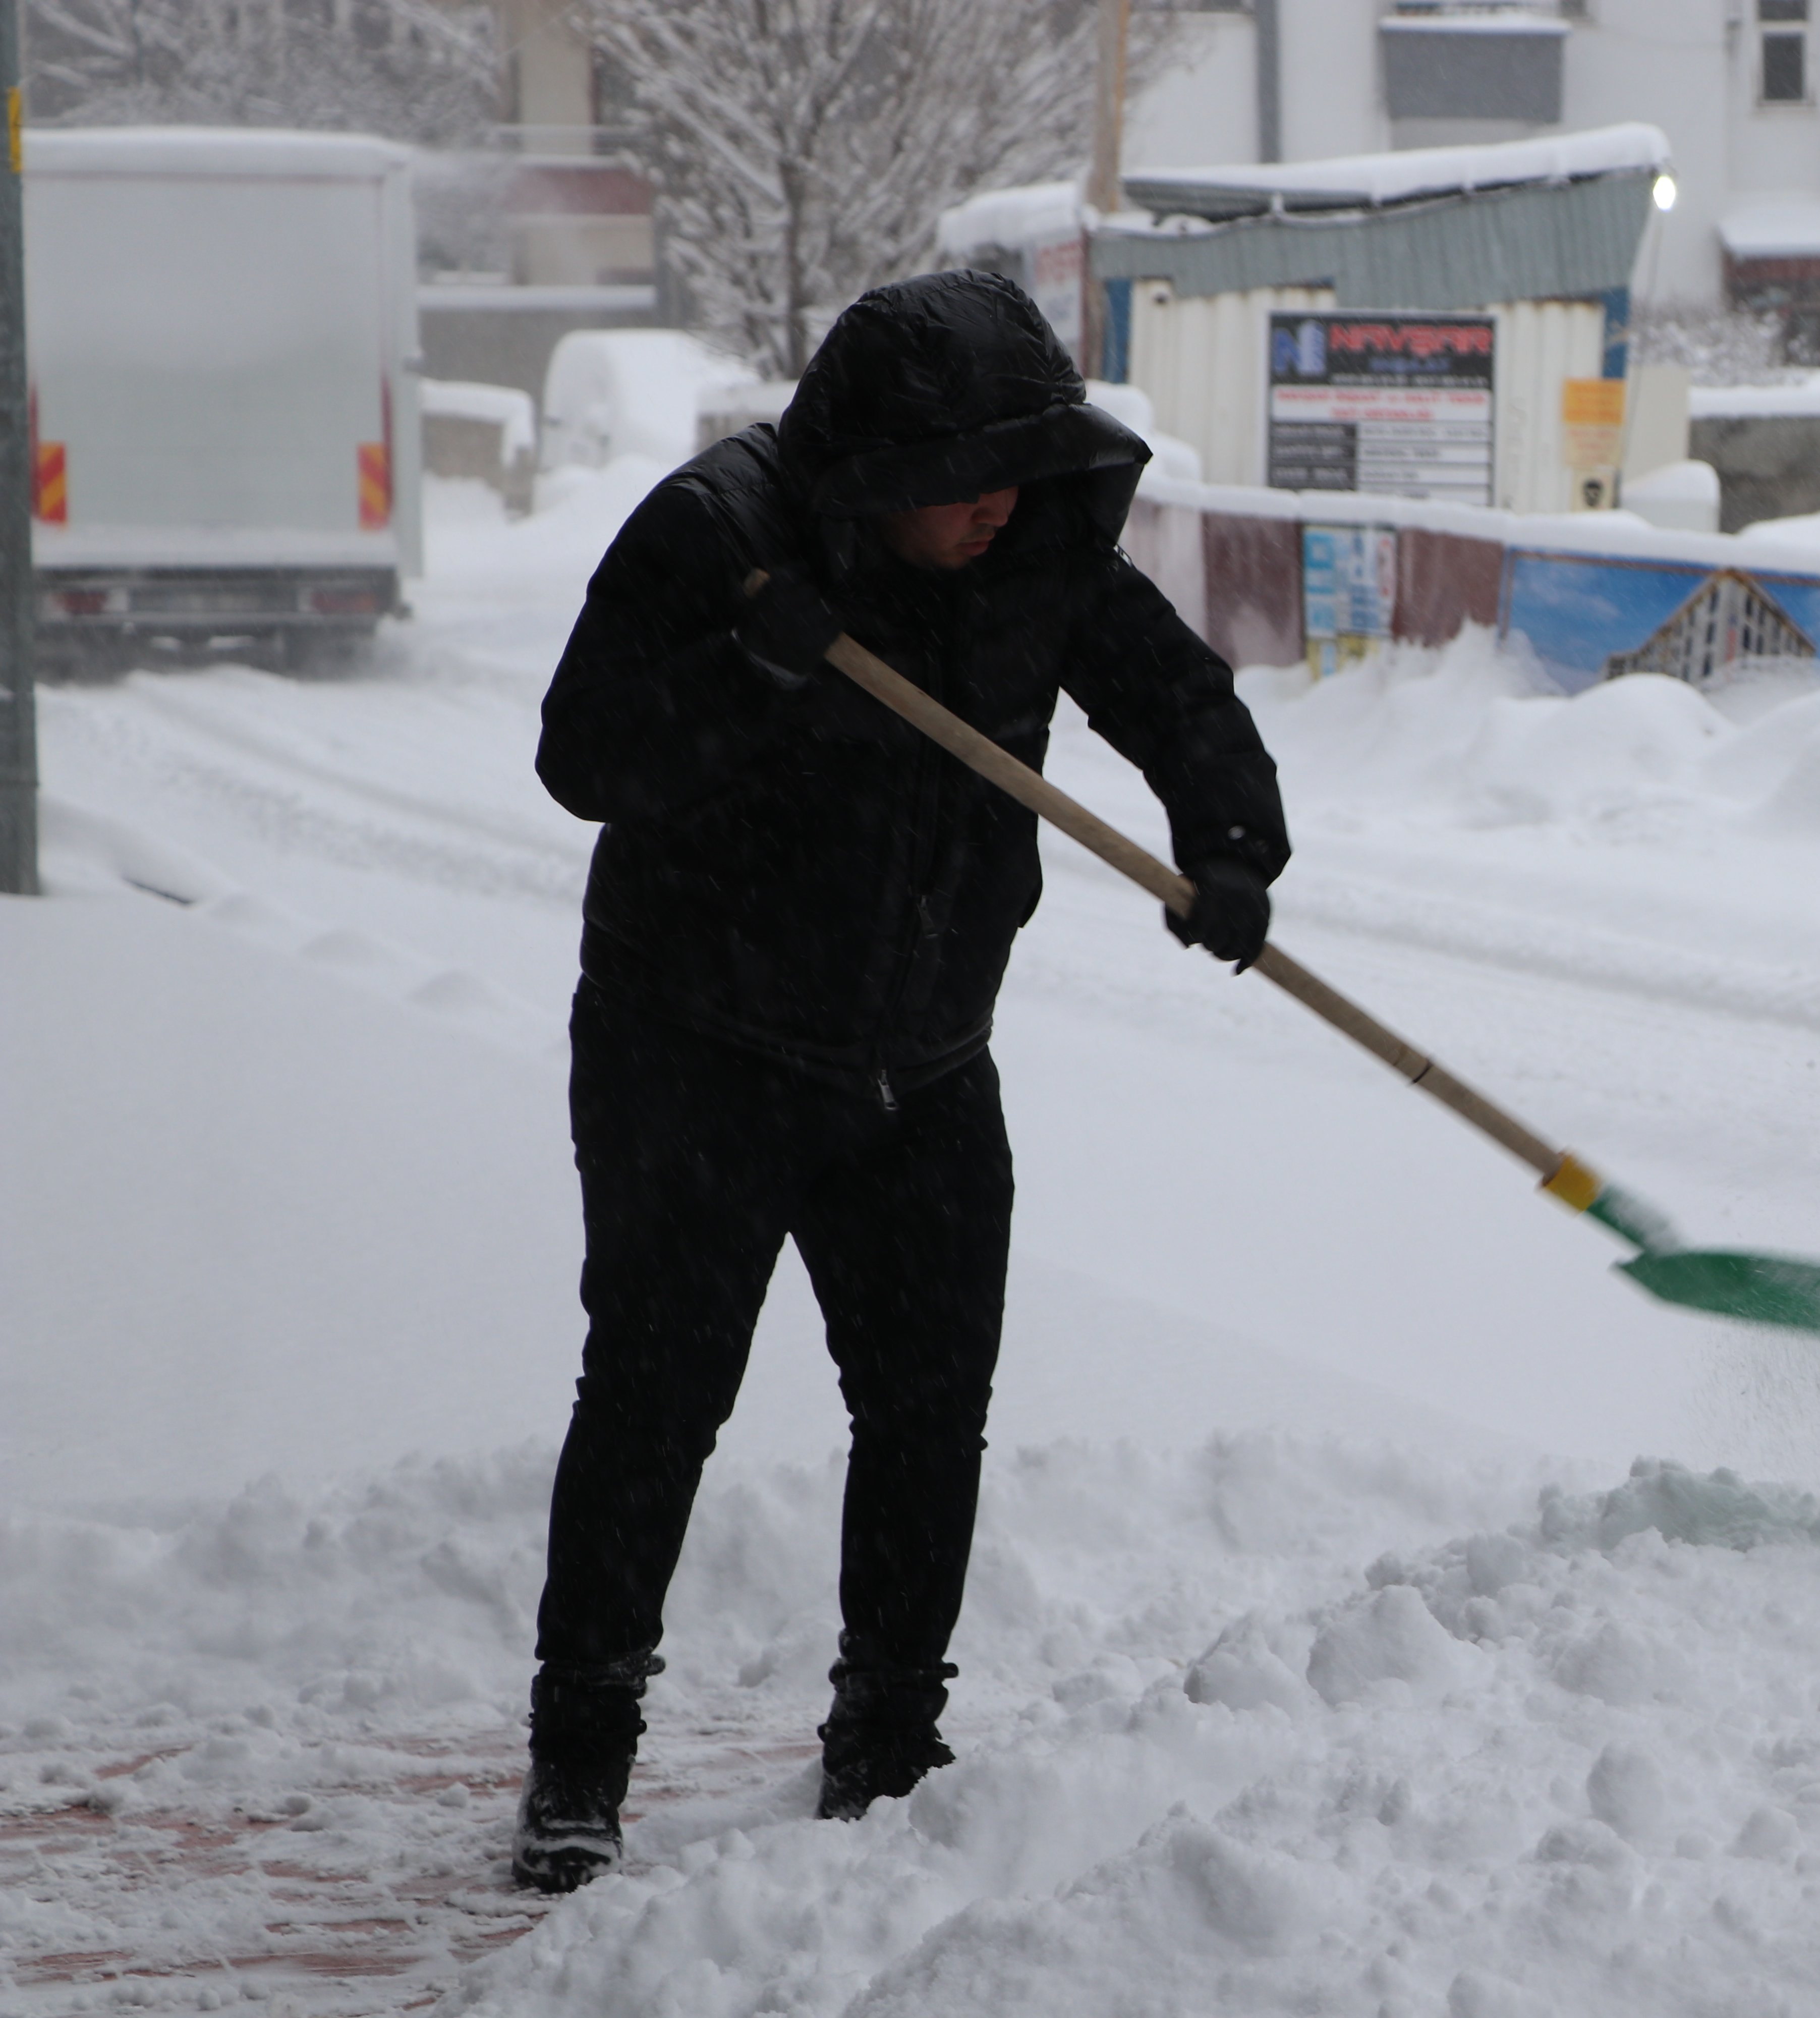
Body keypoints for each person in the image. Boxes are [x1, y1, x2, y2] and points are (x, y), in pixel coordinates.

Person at [511, 270, 1287, 1893]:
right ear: (875, 469)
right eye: (967, 476)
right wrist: (758, 667)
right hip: (695, 1055)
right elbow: (586, 758)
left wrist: (1228, 842)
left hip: (924, 1066)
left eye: (1020, 463)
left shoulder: (1035, 545)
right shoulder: (717, 538)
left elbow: (1174, 693)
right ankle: (579, 1766)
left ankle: (887, 1745)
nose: (999, 499)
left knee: (931, 1418)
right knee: (655, 1410)